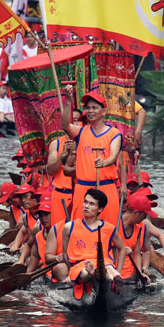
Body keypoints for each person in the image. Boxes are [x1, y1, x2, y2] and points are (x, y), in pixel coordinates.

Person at [61, 88, 123, 226]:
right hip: (83, 189)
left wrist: (104, 163)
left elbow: (114, 156)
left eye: (94, 108)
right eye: (88, 108)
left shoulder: (114, 133)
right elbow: (65, 125)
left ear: (104, 111)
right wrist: (68, 101)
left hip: (106, 188)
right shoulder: (80, 132)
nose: (90, 111)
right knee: (79, 228)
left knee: (108, 229)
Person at [60, 189, 126, 298]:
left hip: (103, 263)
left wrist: (118, 270)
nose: (86, 206)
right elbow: (65, 254)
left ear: (100, 209)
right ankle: (93, 274)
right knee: (85, 273)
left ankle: (116, 278)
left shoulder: (109, 228)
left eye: (91, 204)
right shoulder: (69, 227)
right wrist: (70, 273)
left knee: (109, 269)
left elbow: (122, 248)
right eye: (85, 202)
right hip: (80, 264)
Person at [117, 192, 156, 283]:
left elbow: (137, 253)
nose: (145, 218)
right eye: (144, 215)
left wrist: (140, 272)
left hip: (131, 273)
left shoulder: (138, 228)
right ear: (136, 213)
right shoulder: (115, 224)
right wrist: (122, 249)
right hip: (116, 271)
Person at [47, 134, 76, 227]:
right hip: (60, 194)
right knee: (58, 230)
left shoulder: (87, 140)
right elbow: (50, 170)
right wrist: (63, 155)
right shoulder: (56, 143)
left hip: (80, 192)